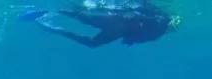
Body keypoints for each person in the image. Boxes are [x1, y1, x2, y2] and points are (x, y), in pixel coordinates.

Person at [19, 1, 180, 48]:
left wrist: (131, 39)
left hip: (117, 27)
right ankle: (50, 16)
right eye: (174, 24)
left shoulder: (159, 31)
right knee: (81, 16)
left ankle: (56, 27)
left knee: (83, 22)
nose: (172, 28)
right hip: (116, 22)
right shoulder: (159, 19)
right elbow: (140, 15)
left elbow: (141, 36)